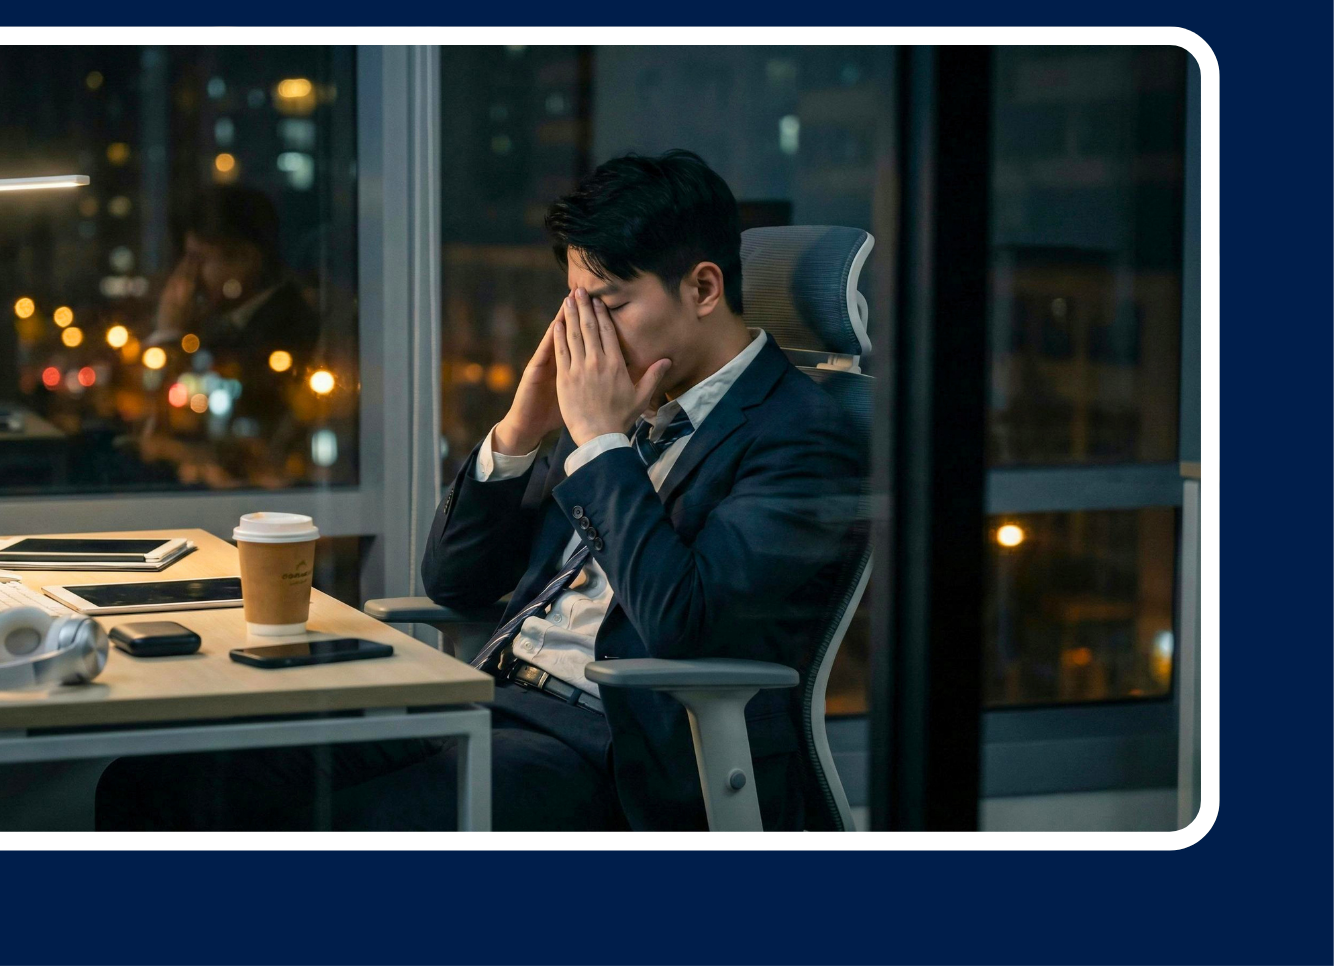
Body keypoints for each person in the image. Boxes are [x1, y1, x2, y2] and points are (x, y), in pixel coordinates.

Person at [97, 150, 864, 830]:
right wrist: (522, 427)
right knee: (161, 785)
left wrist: (598, 445)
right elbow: (456, 579)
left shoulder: (801, 434)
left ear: (702, 288)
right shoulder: (627, 393)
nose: (581, 333)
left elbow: (688, 627)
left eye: (611, 303)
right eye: (574, 302)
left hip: (609, 749)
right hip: (484, 702)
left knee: (352, 831)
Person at [136, 186, 321, 487]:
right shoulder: (223, 329)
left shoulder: (280, 334)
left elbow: (236, 444)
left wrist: (168, 334)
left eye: (199, 260)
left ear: (244, 260)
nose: (188, 276)